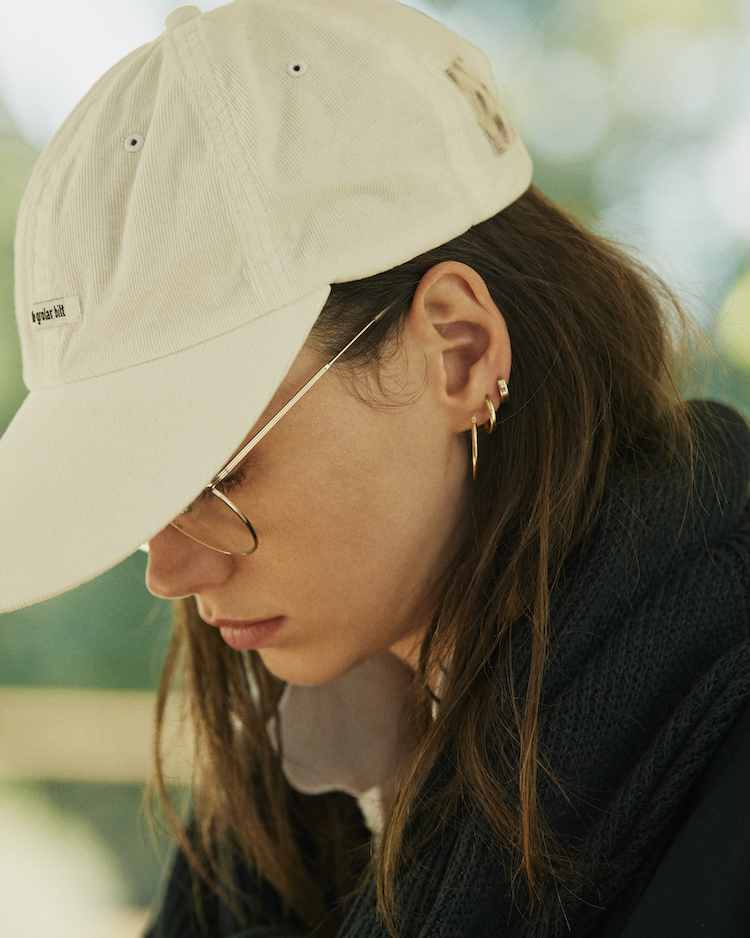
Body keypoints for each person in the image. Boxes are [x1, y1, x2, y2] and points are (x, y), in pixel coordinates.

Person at [0, 0, 748, 936]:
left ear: (458, 351)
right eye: (134, 494)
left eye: (214, 475)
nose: (169, 571)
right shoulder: (303, 789)